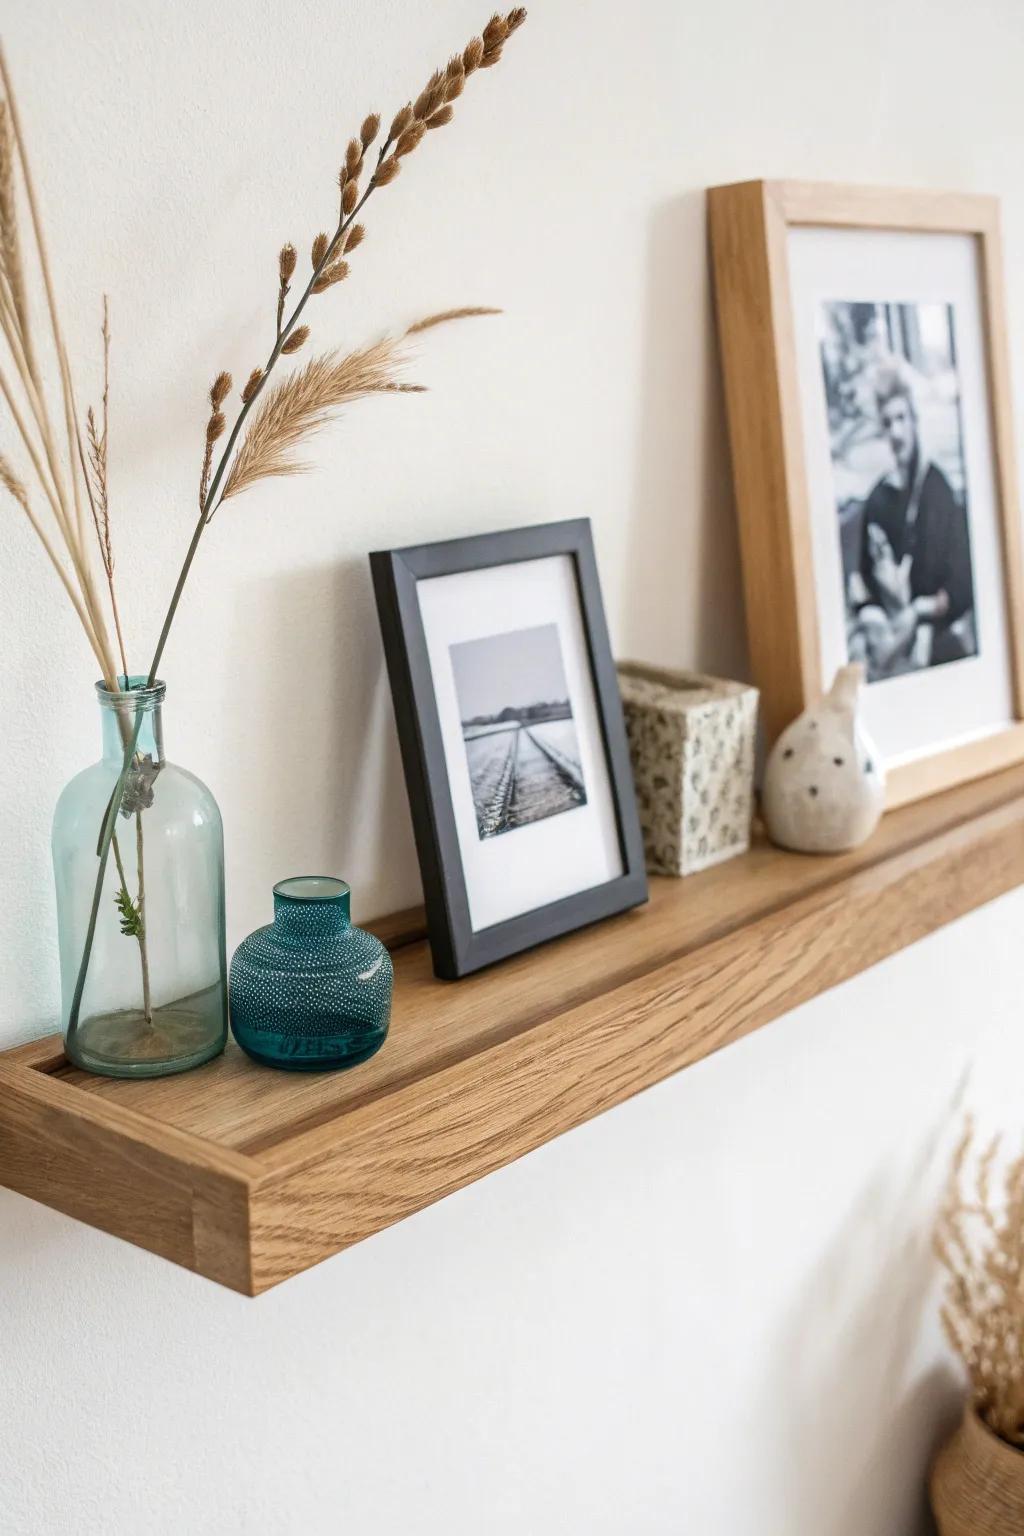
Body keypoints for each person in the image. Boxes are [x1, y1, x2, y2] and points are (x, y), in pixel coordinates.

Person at [850, 368, 975, 678]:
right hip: (887, 632)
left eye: (902, 419)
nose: (896, 432)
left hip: (932, 633)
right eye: (887, 422)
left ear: (915, 422)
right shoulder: (877, 499)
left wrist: (919, 611)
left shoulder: (938, 490)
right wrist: (873, 613)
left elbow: (962, 583)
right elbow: (863, 577)